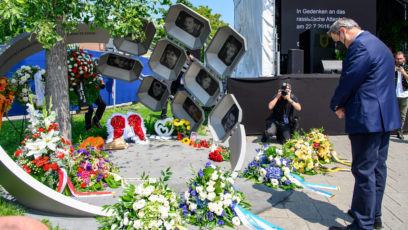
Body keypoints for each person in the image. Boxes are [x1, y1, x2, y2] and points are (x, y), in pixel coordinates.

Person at [327, 18, 401, 230]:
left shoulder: (360, 46)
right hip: (384, 118)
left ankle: (363, 224)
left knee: (363, 171)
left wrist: (336, 104)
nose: (342, 45)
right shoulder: (379, 45)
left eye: (339, 41)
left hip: (367, 119)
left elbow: (349, 80)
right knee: (377, 169)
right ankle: (372, 215)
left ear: (343, 31)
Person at [161, 49, 201, 119]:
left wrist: (191, 57)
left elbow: (197, 63)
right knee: (167, 94)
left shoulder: (195, 54)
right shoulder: (184, 52)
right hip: (174, 77)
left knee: (179, 97)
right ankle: (164, 114)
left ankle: (176, 116)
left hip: (183, 80)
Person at [394, 51, 408, 139]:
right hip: (393, 95)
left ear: (404, 59)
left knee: (402, 115)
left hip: (404, 94)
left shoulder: (406, 67)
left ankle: (400, 132)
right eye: (397, 59)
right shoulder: (392, 68)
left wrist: (403, 72)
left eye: (400, 59)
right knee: (393, 114)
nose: (399, 60)